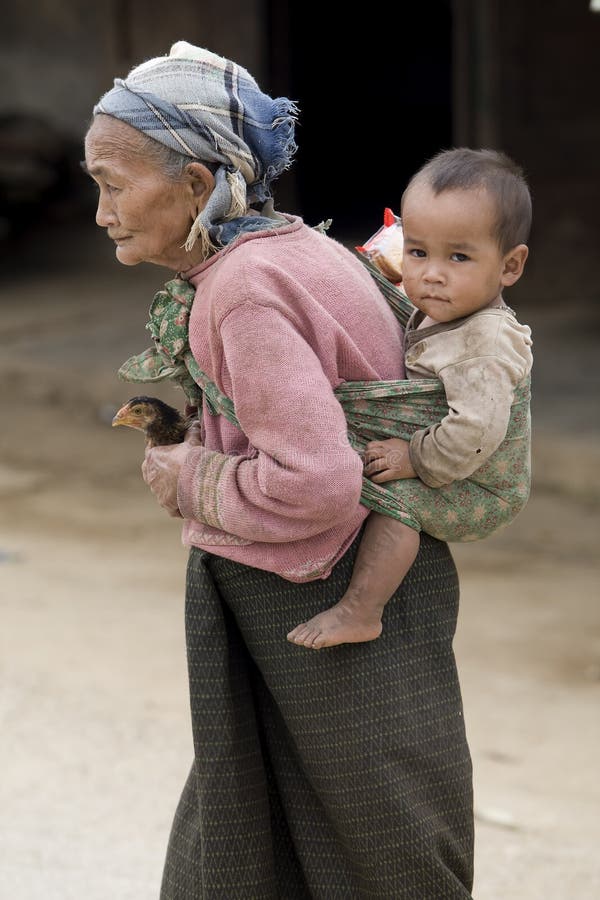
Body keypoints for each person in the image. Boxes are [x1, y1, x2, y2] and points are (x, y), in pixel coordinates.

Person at [85, 41, 474, 898]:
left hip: (316, 591)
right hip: (355, 574)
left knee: (374, 847)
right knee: (303, 827)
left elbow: (315, 483)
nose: (102, 208)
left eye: (114, 183)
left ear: (195, 183)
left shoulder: (244, 291)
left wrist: (190, 477)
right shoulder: (293, 247)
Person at [288, 148, 533, 650]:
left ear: (511, 266)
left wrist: (413, 458)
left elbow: (476, 431)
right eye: (419, 252)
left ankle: (362, 610)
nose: (431, 274)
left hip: (482, 486)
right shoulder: (447, 308)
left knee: (394, 503)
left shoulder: (483, 345)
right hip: (463, 464)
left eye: (458, 257)